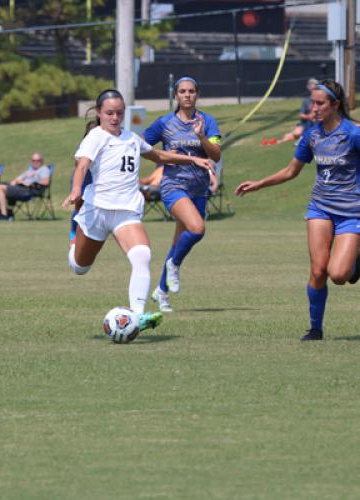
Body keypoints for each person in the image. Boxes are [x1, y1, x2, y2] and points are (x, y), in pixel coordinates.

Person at [62, 88, 214, 333]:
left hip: (126, 213)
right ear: (99, 113)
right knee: (80, 267)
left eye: (119, 113)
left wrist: (193, 159)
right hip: (97, 211)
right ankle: (74, 235)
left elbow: (159, 155)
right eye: (109, 113)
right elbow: (81, 167)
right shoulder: (95, 137)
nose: (114, 118)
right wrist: (76, 190)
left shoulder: (131, 138)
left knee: (142, 255)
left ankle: (138, 317)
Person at [235, 80, 360, 341]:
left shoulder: (352, 133)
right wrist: (259, 184)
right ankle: (315, 328)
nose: (313, 108)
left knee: (338, 275)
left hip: (352, 212)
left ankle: (354, 264)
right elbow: (291, 171)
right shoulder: (312, 135)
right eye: (312, 102)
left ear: (335, 105)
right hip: (320, 208)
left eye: (319, 103)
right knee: (318, 271)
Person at [143, 76, 222, 313]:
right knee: (197, 229)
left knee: (179, 242)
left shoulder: (208, 121)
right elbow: (140, 146)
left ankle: (161, 292)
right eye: (182, 91)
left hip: (199, 190)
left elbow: (216, 155)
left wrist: (200, 137)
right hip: (173, 186)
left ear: (197, 94)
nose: (187, 95)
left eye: (191, 91)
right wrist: (164, 156)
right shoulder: (165, 123)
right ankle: (174, 264)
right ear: (175, 95)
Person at [0, 152, 49, 220]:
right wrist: (16, 181)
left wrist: (31, 182)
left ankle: (4, 215)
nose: (35, 162)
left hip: (30, 190)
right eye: (33, 160)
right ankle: (1, 211)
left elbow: (46, 182)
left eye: (38, 160)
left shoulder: (44, 169)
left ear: (41, 161)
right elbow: (16, 180)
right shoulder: (29, 171)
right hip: (19, 187)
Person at [262, 78, 318, 146]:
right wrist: (309, 116)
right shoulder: (306, 101)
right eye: (310, 85)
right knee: (296, 133)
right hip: (305, 123)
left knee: (309, 126)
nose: (312, 87)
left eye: (314, 85)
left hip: (315, 123)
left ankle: (302, 138)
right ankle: (278, 141)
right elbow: (301, 115)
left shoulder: (319, 99)